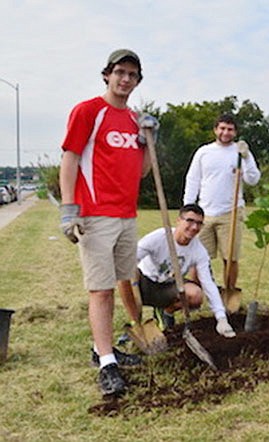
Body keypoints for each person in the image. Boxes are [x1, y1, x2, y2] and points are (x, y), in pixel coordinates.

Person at [59, 49, 157, 397]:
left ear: (138, 80)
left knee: (122, 282)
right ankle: (106, 363)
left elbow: (142, 172)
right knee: (99, 290)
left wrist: (148, 142)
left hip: (127, 215)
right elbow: (70, 158)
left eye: (132, 75)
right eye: (120, 72)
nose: (126, 79)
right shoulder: (88, 111)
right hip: (96, 214)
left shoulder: (134, 119)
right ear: (107, 75)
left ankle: (105, 350)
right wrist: (69, 208)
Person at [118, 204, 236, 338]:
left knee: (196, 295)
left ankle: (166, 311)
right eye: (190, 221)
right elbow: (130, 259)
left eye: (199, 223)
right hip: (144, 283)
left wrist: (221, 318)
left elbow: (208, 283)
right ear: (179, 220)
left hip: (168, 286)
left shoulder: (199, 251)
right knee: (123, 276)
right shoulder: (159, 237)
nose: (194, 227)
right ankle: (135, 323)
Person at [183, 114, 261, 293]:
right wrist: (188, 208)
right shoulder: (204, 152)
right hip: (204, 214)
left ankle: (230, 291)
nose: (225, 132)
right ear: (215, 130)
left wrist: (247, 157)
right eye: (222, 128)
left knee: (230, 258)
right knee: (198, 258)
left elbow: (253, 179)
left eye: (230, 129)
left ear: (235, 132)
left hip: (231, 213)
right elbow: (193, 179)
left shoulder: (240, 153)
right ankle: (196, 294)